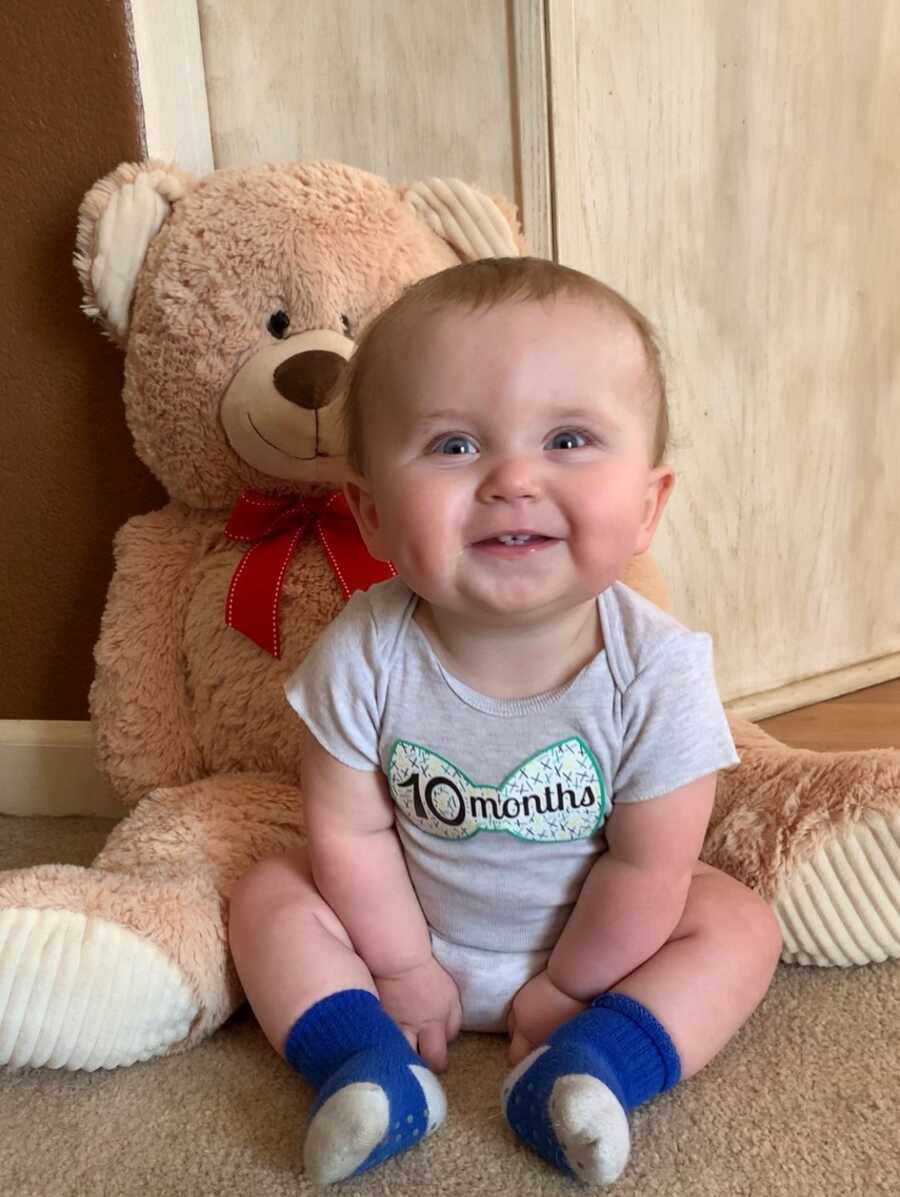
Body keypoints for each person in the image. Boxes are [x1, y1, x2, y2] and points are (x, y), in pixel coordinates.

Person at [228, 257, 783, 1187]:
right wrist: (401, 970)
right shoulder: (364, 652)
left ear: (647, 506)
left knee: (736, 922)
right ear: (369, 513)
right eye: (453, 446)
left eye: (568, 438)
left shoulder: (658, 670)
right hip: (403, 934)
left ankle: (597, 1063)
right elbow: (349, 827)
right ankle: (366, 1062)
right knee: (267, 891)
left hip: (602, 959)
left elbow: (651, 864)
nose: (513, 479)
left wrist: (570, 988)